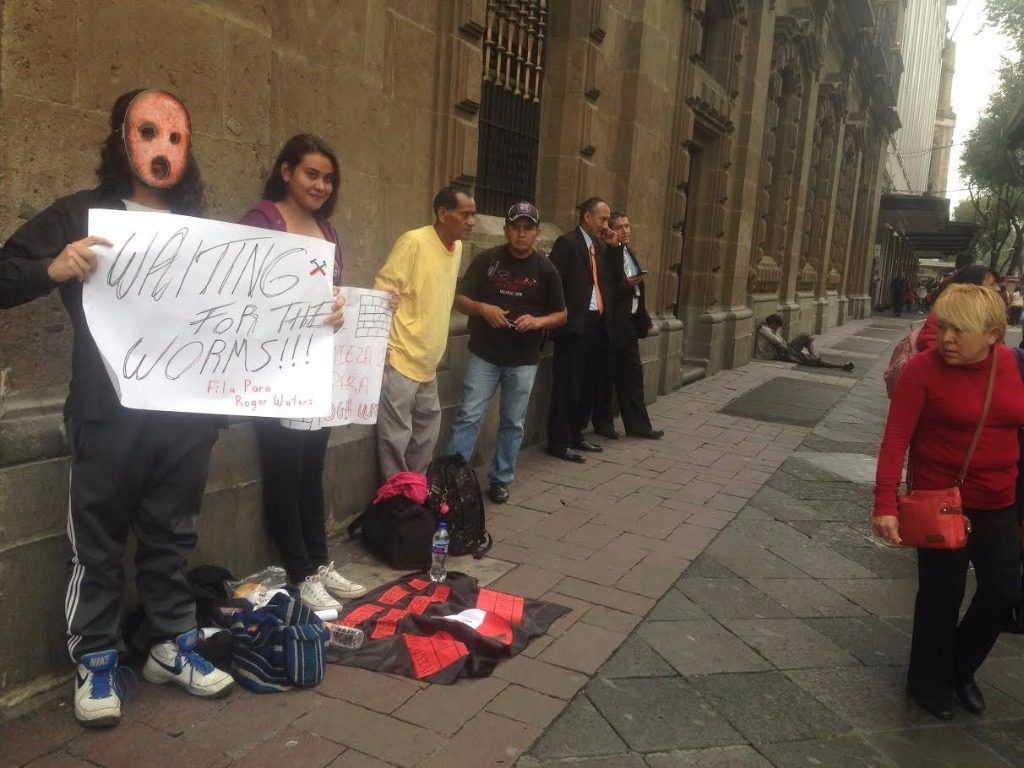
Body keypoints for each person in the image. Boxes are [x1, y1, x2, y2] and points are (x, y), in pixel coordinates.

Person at [0, 90, 239, 727]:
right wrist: (51, 268)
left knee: (172, 536)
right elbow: (4, 274)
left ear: (190, 150)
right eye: (148, 132)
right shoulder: (79, 213)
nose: (162, 150)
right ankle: (97, 657)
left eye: (177, 139)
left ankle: (169, 644)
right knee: (97, 543)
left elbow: (246, 313)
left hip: (183, 418)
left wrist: (310, 310)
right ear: (120, 137)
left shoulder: (203, 233)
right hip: (107, 414)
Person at [874, 284, 1024, 721]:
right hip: (941, 501)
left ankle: (959, 668)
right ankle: (927, 681)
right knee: (942, 594)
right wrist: (885, 502)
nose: (946, 338)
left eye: (960, 330)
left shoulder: (1015, 367)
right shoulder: (922, 369)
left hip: (999, 500)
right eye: (943, 327)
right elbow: (895, 438)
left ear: (994, 333)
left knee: (1001, 593)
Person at [240, 134, 367, 612]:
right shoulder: (262, 220)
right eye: (311, 173)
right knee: (284, 470)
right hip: (272, 370)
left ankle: (318, 562)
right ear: (287, 170)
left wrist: (345, 306)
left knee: (312, 468)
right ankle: (298, 572)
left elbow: (333, 291)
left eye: (328, 178)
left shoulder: (327, 231)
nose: (320, 185)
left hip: (317, 366)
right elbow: (242, 290)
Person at [445, 202, 566, 503]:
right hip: (485, 353)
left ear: (537, 233)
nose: (521, 233)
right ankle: (452, 479)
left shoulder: (546, 269)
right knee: (468, 415)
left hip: (523, 359)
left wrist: (537, 321)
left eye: (528, 228)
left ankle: (500, 479)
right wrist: (483, 309)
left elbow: (562, 314)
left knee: (513, 422)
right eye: (516, 227)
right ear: (506, 229)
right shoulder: (488, 260)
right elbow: (459, 299)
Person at [374, 186, 476, 478]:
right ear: (443, 213)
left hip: (429, 360)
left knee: (427, 430)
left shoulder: (456, 248)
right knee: (395, 436)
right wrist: (381, 348)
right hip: (401, 355)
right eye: (465, 214)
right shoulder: (413, 242)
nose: (471, 222)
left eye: (473, 215)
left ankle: (416, 489)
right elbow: (383, 289)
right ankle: (397, 499)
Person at [546, 197, 631, 463]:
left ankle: (576, 434)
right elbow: (553, 282)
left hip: (598, 325)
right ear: (587, 217)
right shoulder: (567, 243)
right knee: (568, 385)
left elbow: (618, 279)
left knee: (587, 384)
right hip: (574, 326)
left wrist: (615, 245)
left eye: (608, 220)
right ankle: (558, 441)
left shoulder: (602, 246)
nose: (606, 224)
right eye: (603, 219)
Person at [591, 211, 663, 440]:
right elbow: (606, 291)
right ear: (610, 230)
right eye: (619, 226)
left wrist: (643, 317)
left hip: (630, 325)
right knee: (606, 376)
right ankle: (603, 424)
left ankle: (639, 426)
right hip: (612, 326)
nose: (625, 230)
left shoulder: (628, 251)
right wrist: (627, 285)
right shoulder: (604, 254)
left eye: (628, 225)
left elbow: (638, 290)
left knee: (633, 377)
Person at [915, 265, 1000, 353]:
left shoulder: (987, 313)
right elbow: (929, 342)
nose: (997, 289)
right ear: (973, 286)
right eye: (991, 285)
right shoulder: (947, 310)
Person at [754, 314, 855, 371]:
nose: (777, 329)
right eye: (777, 326)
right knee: (809, 360)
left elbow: (782, 342)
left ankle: (812, 355)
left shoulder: (771, 330)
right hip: (778, 354)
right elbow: (779, 343)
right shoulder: (764, 330)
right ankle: (840, 366)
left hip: (785, 350)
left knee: (805, 336)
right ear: (772, 323)